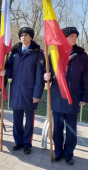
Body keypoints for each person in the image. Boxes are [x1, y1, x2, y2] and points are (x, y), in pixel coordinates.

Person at [44, 27, 88, 165]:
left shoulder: (82, 55)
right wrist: (46, 76)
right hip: (57, 96)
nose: (74, 38)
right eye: (71, 36)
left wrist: (84, 97)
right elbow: (48, 73)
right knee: (57, 128)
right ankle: (58, 152)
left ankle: (69, 153)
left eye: (76, 36)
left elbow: (86, 77)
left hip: (73, 97)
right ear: (64, 37)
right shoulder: (54, 53)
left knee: (71, 128)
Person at [0, 27, 45, 154]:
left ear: (31, 37)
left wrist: (37, 94)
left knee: (29, 120)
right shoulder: (14, 53)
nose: (23, 37)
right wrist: (5, 72)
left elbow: (39, 76)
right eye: (22, 35)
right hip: (16, 91)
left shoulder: (37, 53)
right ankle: (18, 142)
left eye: (26, 35)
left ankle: (27, 143)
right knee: (17, 119)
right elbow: (9, 69)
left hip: (30, 92)